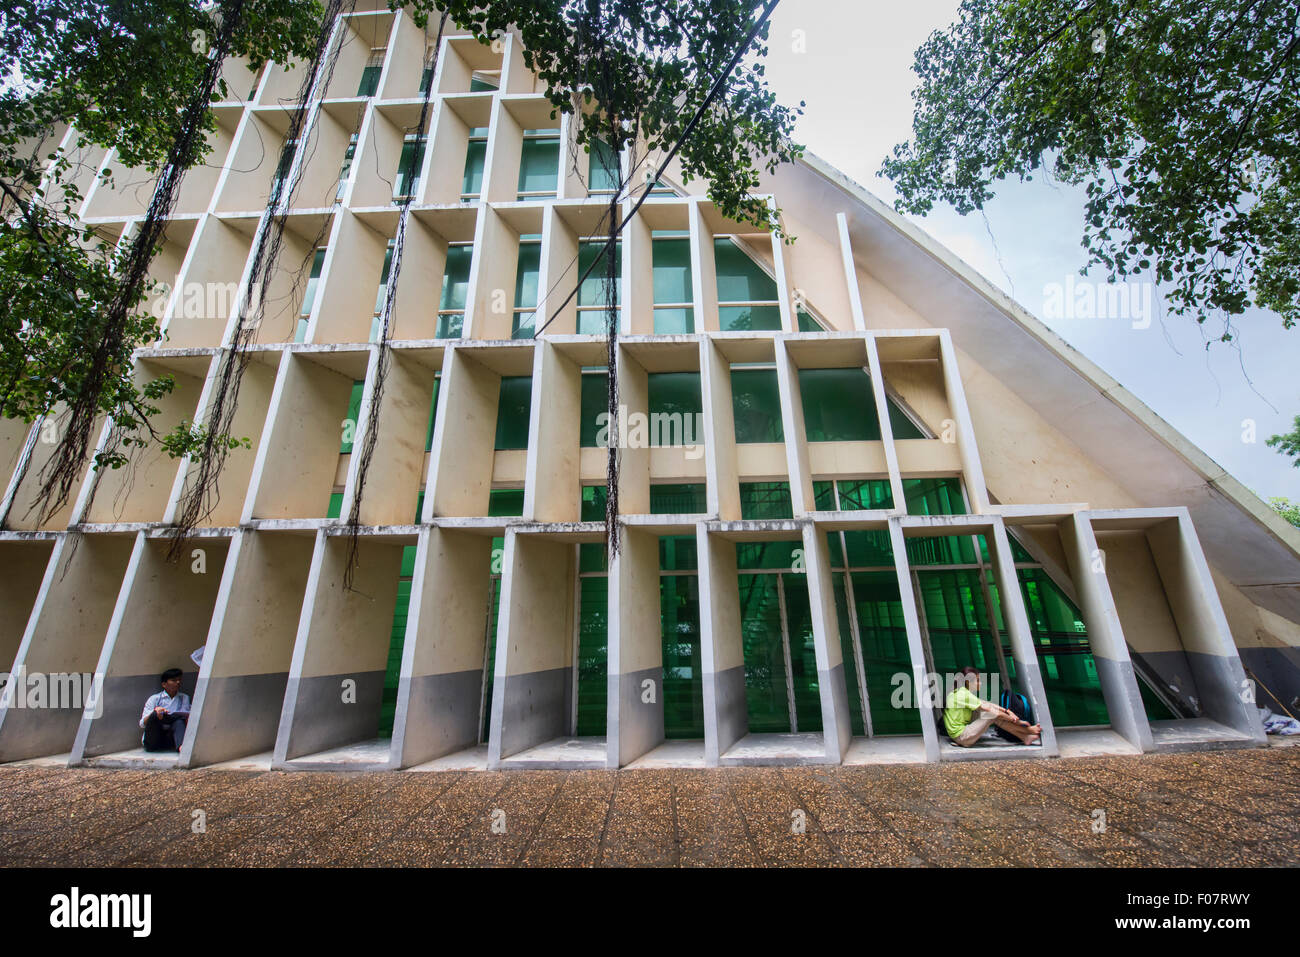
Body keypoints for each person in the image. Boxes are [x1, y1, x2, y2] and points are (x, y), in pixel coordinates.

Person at [943, 666, 1041, 746]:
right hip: (962, 737)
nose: (980, 683)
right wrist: (1018, 721)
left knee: (988, 712)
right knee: (991, 714)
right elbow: (990, 710)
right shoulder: (963, 694)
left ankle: (1025, 737)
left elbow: (988, 704)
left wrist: (1007, 711)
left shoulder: (960, 691)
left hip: (961, 733)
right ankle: (1028, 730)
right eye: (977, 680)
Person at [140, 668, 191, 752]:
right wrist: (156, 712)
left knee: (179, 721)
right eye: (174, 680)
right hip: (154, 739)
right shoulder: (154, 699)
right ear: (164, 684)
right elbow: (142, 723)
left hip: (171, 738)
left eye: (179, 680)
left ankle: (181, 747)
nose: (177, 683)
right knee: (155, 714)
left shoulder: (184, 698)